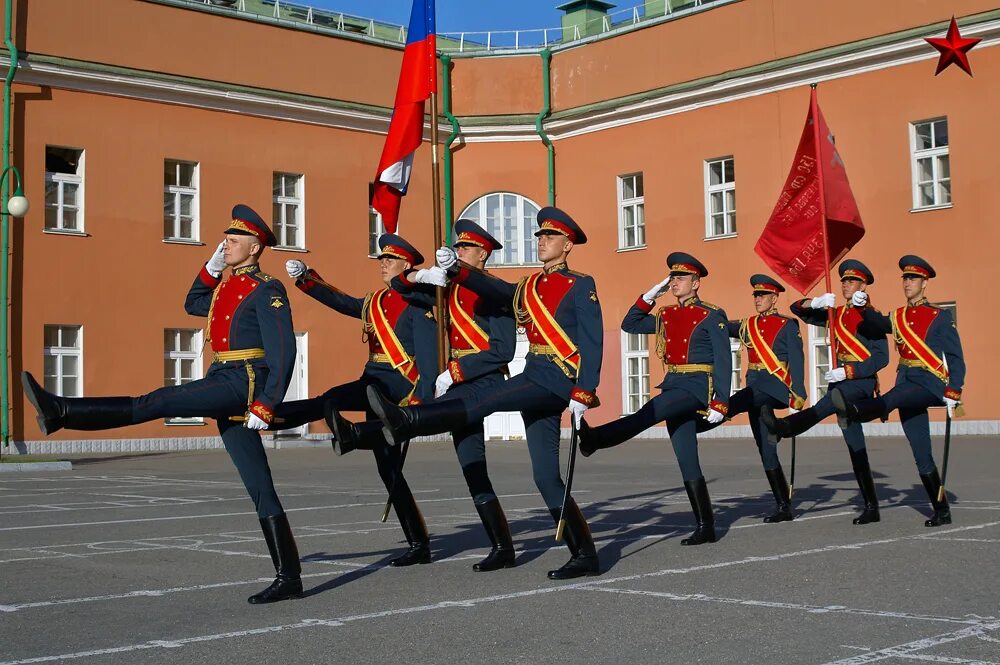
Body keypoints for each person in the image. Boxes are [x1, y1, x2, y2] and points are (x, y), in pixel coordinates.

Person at [22, 205, 302, 604]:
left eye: (236, 239)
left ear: (257, 247)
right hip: (221, 377)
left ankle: (63, 411)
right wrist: (212, 265)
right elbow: (192, 302)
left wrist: (267, 404)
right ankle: (290, 577)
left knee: (157, 401)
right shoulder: (227, 286)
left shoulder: (267, 289)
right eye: (227, 237)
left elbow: (284, 351)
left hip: (243, 382)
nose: (228, 242)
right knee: (259, 485)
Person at [360, 207, 604, 579]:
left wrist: (585, 390)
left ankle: (406, 418)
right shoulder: (528, 287)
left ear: (568, 245)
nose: (541, 242)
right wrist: (455, 271)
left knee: (487, 400)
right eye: (538, 236)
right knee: (545, 476)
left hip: (555, 378)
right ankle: (585, 553)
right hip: (535, 374)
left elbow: (592, 340)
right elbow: (499, 290)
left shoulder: (580, 285)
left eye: (549, 237)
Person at [279, 234, 439, 567]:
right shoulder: (375, 301)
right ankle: (290, 420)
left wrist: (421, 400)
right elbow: (342, 302)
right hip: (372, 381)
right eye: (382, 259)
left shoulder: (420, 301)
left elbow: (428, 355)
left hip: (398, 386)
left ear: (407, 265)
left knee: (388, 466)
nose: (383, 264)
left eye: (390, 260)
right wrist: (306, 279)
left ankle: (418, 544)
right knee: (335, 402)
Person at [388, 219, 517, 572]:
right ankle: (503, 547)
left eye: (465, 248)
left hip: (483, 381)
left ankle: (376, 428)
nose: (458, 252)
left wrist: (456, 371)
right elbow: (397, 286)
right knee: (472, 467)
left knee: (427, 418)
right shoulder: (449, 289)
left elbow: (502, 351)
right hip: (458, 382)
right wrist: (420, 276)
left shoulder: (496, 292)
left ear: (483, 254)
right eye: (456, 247)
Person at [577, 252, 730, 546]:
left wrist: (720, 401)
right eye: (672, 277)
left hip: (696, 386)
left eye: (681, 278)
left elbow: (724, 361)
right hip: (673, 383)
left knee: (647, 413)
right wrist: (651, 295)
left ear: (696, 283)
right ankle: (706, 526)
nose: (674, 282)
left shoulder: (711, 315)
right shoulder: (666, 314)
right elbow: (630, 324)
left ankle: (596, 439)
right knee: (686, 458)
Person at [831, 255, 965, 527]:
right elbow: (878, 325)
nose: (907, 283)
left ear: (924, 283)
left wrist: (954, 390)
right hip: (906, 379)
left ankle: (855, 410)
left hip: (929, 382)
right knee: (921, 451)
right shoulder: (898, 316)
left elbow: (956, 356)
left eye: (913, 278)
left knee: (892, 398)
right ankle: (941, 510)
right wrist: (864, 305)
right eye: (905, 278)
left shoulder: (940, 316)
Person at [761, 259, 889, 525]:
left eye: (852, 281)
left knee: (824, 407)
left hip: (860, 383)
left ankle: (785, 427)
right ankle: (871, 505)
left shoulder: (871, 316)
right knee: (855, 444)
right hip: (839, 385)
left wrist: (849, 372)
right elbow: (797, 309)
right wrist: (815, 303)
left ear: (863, 285)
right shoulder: (836, 313)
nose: (845, 285)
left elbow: (881, 358)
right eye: (843, 280)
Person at [701, 274, 805, 523]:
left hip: (776, 386)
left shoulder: (787, 325)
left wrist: (798, 394)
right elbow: (721, 327)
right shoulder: (747, 325)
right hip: (756, 390)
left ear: (774, 298)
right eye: (755, 296)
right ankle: (784, 506)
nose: (758, 299)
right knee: (766, 450)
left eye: (762, 295)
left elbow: (798, 361)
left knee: (743, 398)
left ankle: (715, 414)